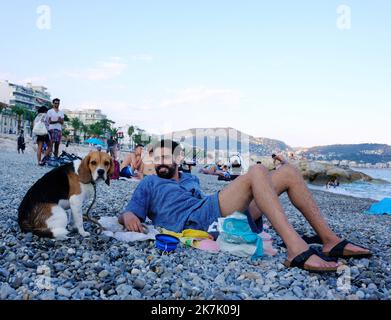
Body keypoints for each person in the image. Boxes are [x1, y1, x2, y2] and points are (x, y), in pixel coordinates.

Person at [119, 139, 372, 272]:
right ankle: (296, 249)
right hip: (194, 221)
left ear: (178, 159)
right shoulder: (149, 183)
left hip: (213, 212)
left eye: (166, 157)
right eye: (157, 157)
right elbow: (130, 211)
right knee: (257, 171)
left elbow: (207, 200)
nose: (161, 162)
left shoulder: (191, 178)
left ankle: (330, 240)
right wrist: (130, 217)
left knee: (289, 172)